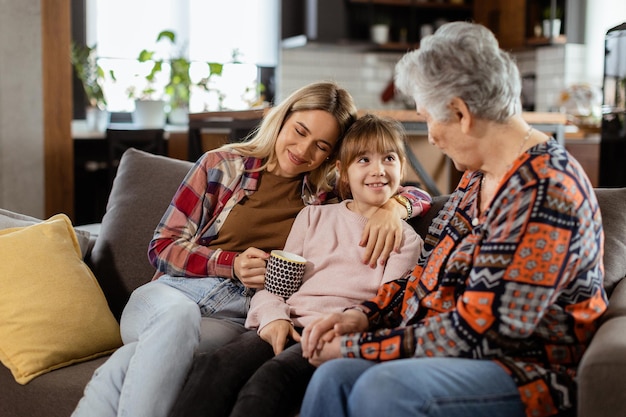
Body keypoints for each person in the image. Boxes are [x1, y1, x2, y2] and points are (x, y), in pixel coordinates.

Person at [299, 22, 608, 417]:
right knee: (333, 377)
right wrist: (363, 316)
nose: (430, 136)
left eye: (429, 119)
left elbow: (482, 332)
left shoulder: (546, 190)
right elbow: (426, 272)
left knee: (383, 390)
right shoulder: (477, 177)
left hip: (525, 368)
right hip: (452, 350)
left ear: (461, 113)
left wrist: (356, 347)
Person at [72, 82, 431, 417]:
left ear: (331, 156)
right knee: (176, 321)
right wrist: (231, 263)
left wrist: (395, 208)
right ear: (283, 118)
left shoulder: (321, 197)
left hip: (236, 313)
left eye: (321, 146)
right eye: (300, 131)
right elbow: (162, 246)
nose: (304, 150)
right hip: (170, 295)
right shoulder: (222, 165)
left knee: (131, 360)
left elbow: (387, 183)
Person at [167, 114, 431, 417]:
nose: (378, 170)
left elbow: (388, 308)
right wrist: (271, 317)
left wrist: (395, 210)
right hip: (286, 322)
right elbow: (275, 287)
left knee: (267, 383)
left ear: (402, 167)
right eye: (364, 160)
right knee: (215, 367)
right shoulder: (314, 216)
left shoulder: (404, 239)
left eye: (389, 158)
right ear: (341, 172)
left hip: (332, 334)